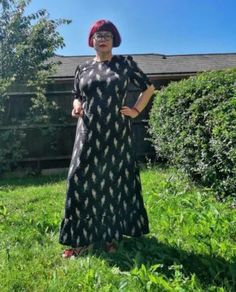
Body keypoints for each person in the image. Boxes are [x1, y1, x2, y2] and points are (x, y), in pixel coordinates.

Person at [59, 19, 155, 258]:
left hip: (116, 133)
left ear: (114, 41)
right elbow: (77, 94)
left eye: (107, 36)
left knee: (113, 181)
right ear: (92, 40)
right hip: (88, 131)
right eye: (98, 35)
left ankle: (112, 236)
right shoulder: (82, 68)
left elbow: (148, 88)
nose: (102, 39)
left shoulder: (124, 63)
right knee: (79, 181)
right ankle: (81, 239)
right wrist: (77, 106)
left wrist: (135, 110)